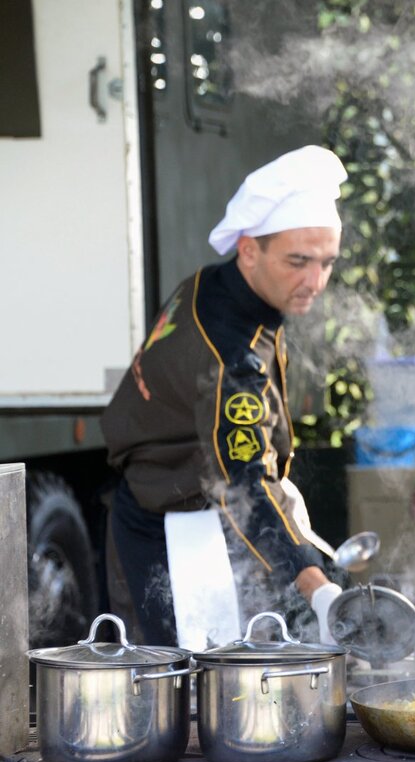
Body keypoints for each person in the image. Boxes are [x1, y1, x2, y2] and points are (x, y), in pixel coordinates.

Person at [101, 145, 347, 648]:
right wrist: (317, 588)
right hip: (170, 531)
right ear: (248, 250)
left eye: (326, 263)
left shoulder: (211, 284)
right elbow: (243, 487)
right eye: (298, 262)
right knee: (183, 692)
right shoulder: (230, 359)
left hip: (188, 500)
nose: (314, 282)